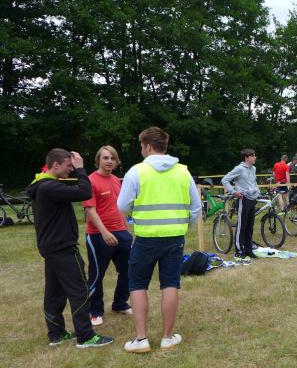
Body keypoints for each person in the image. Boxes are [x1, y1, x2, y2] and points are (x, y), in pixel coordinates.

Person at [118, 127, 201, 353]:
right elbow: (196, 207)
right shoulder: (183, 172)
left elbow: (122, 205)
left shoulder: (136, 172)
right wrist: (183, 224)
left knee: (137, 284)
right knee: (170, 284)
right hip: (175, 236)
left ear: (147, 146)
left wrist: (135, 215)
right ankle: (167, 337)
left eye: (141, 146)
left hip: (146, 237)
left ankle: (141, 339)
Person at [26, 149, 113, 348]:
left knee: (55, 292)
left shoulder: (43, 185)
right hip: (63, 247)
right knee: (79, 290)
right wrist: (81, 169)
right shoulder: (49, 187)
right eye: (68, 165)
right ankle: (86, 336)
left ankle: (56, 334)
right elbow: (85, 192)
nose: (71, 169)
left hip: (51, 247)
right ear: (56, 165)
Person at [83, 145, 132, 327]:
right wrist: (105, 232)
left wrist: (127, 230)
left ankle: (120, 303)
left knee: (128, 270)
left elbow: (120, 208)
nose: (109, 161)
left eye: (112, 158)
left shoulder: (117, 180)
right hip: (99, 235)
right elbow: (90, 210)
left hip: (121, 233)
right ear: (98, 160)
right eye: (105, 158)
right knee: (97, 275)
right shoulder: (90, 181)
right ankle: (95, 311)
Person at [221, 149, 259, 261]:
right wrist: (233, 192)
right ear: (246, 157)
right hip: (243, 199)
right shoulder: (239, 168)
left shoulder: (253, 169)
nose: (255, 157)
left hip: (252, 199)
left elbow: (253, 182)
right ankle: (239, 250)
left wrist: (257, 191)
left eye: (255, 155)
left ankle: (248, 250)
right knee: (242, 226)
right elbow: (225, 180)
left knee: (250, 226)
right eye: (253, 156)